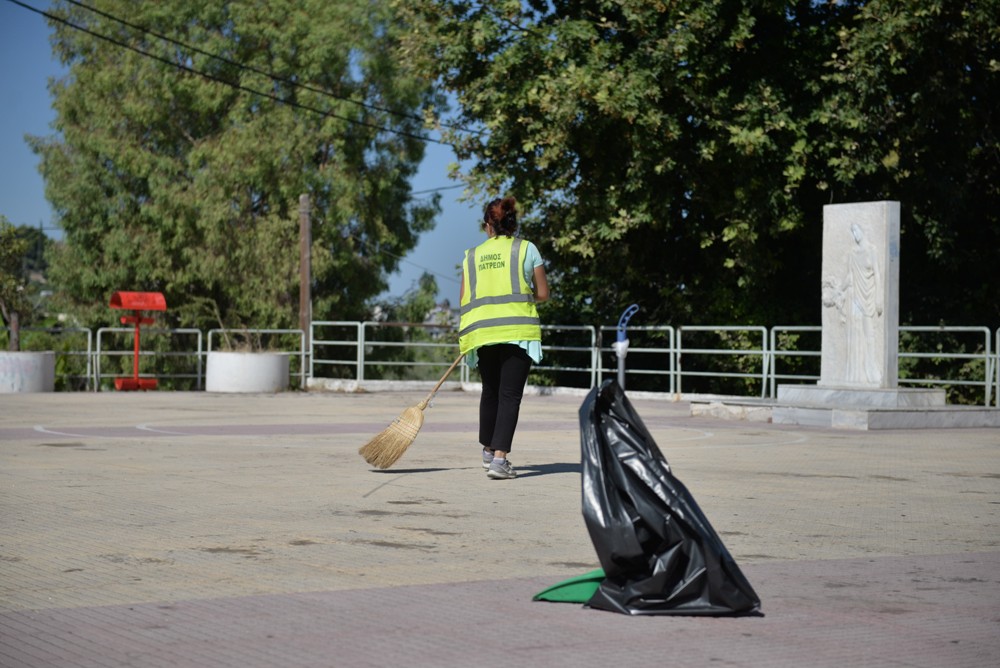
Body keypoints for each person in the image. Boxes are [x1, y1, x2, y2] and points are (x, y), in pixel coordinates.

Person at [458, 197, 549, 480]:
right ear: (512, 223)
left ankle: (488, 452)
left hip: (482, 332)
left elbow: (464, 298)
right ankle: (500, 461)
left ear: (488, 226)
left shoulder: (470, 256)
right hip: (517, 332)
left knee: (491, 392)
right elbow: (543, 293)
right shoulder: (526, 249)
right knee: (510, 395)